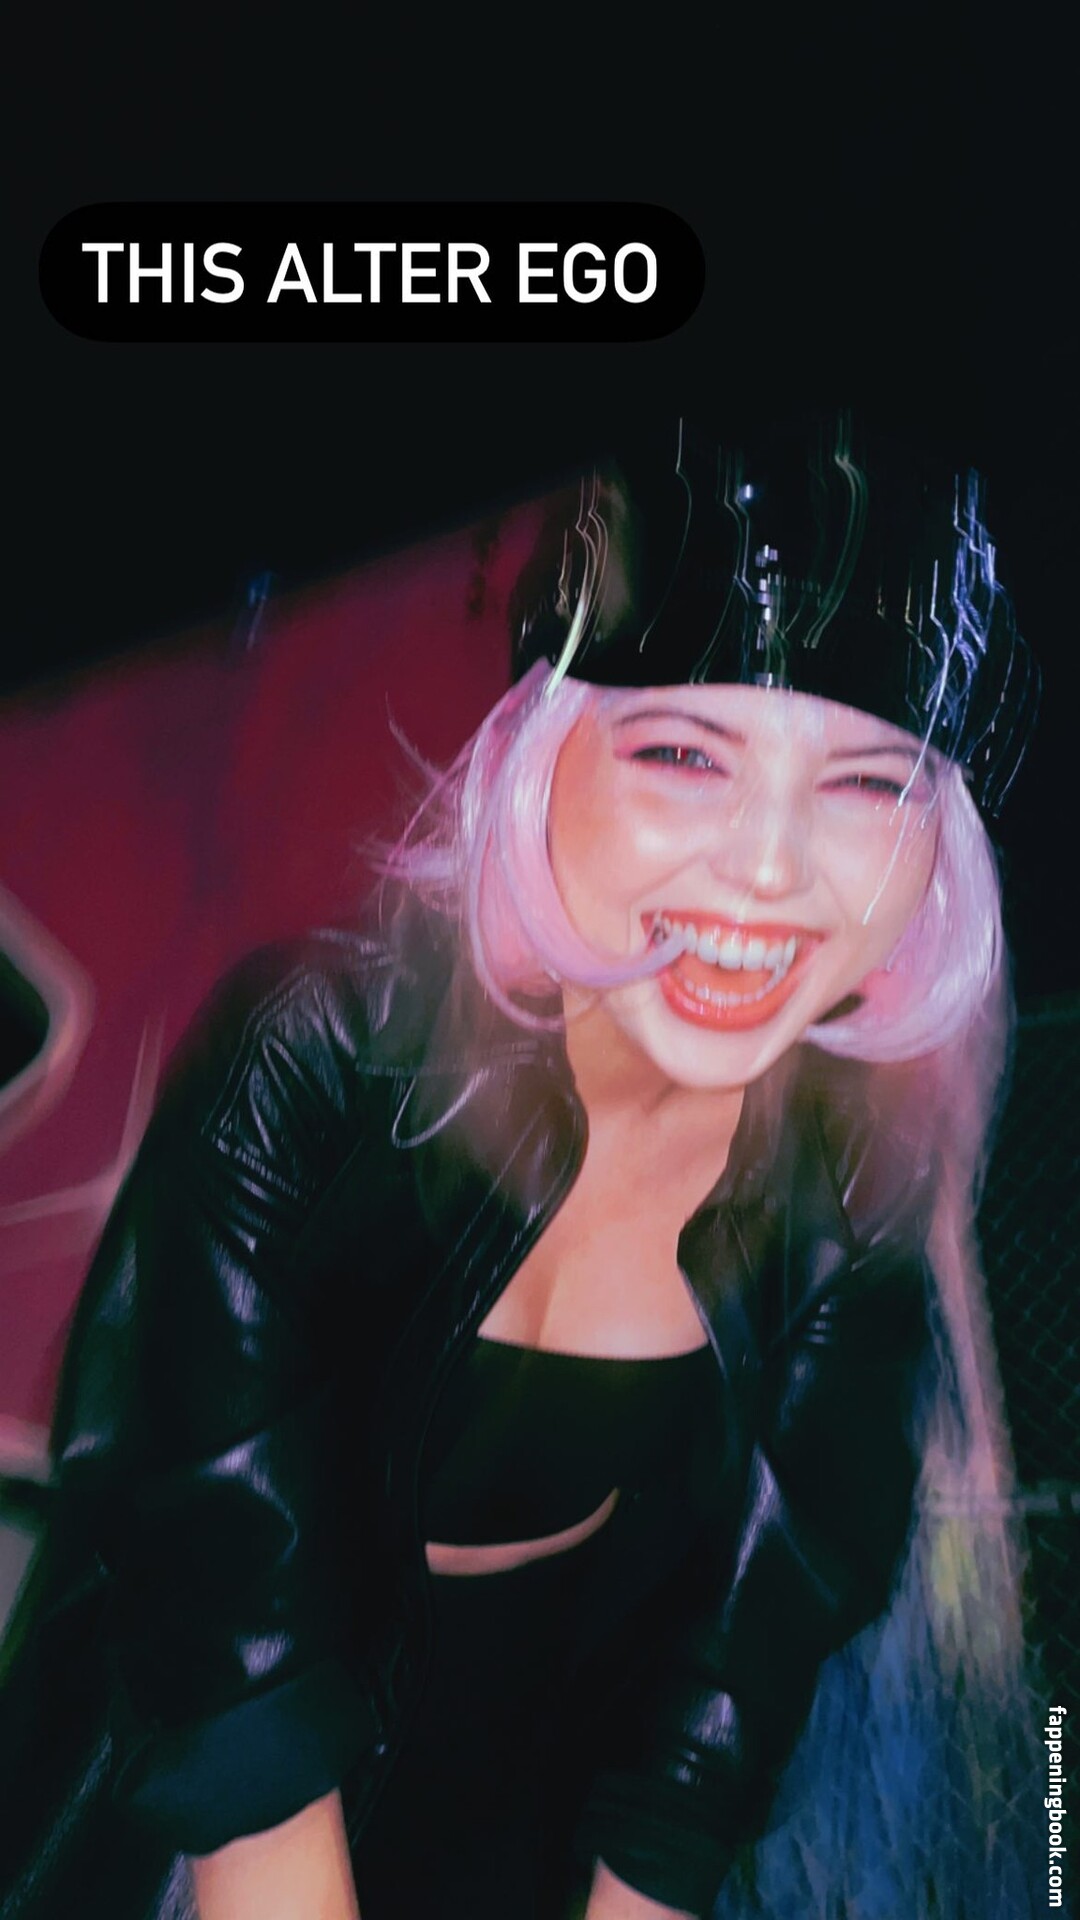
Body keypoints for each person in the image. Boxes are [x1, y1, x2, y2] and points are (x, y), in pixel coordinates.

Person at [0, 417, 1040, 1919]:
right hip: (183, 1834)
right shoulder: (314, 1058)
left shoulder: (856, 1198)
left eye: (871, 786)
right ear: (541, 755)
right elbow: (226, 1667)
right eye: (682, 754)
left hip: (527, 1844)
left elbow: (715, 1729)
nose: (769, 870)